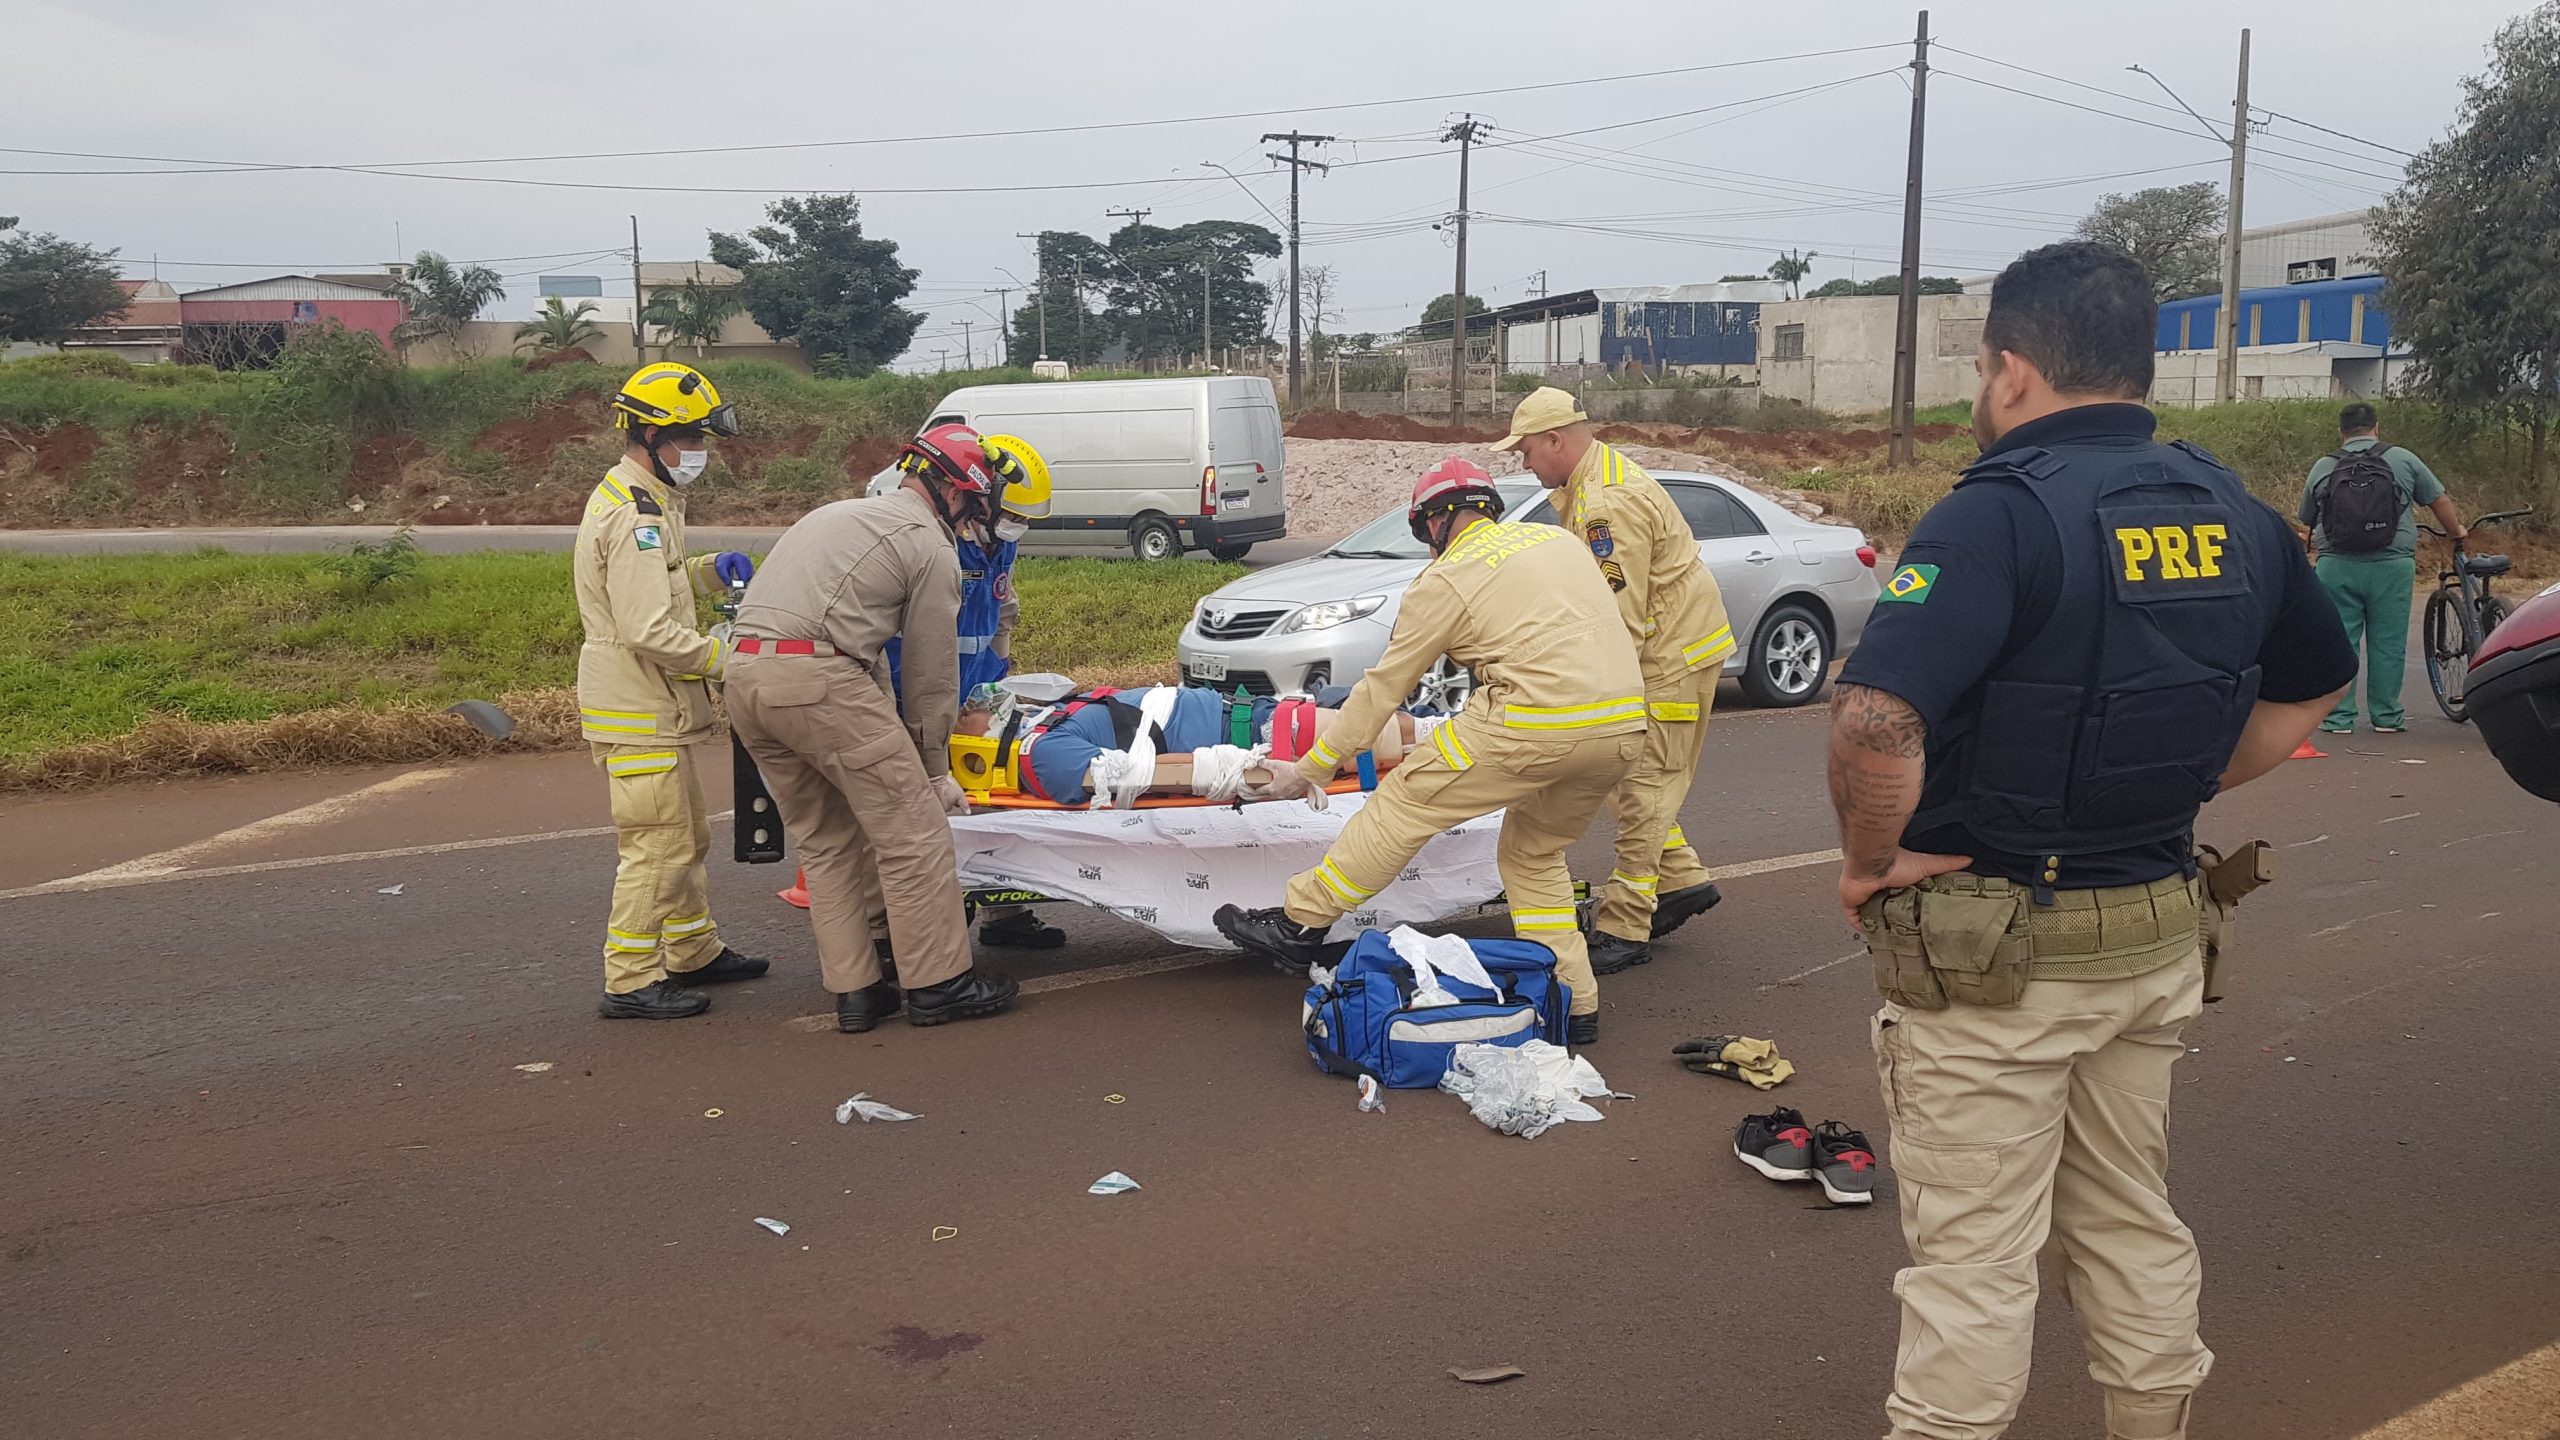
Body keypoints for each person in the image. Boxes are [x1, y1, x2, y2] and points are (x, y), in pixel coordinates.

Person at [1827, 242, 2355, 1440]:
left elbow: (1875, 714)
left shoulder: (1993, 516)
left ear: (2011, 370)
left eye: (1980, 368)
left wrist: (1868, 862)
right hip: (2157, 937)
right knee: (2128, 1216)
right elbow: (2314, 684)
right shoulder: (2235, 510)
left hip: (1995, 961)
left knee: (1972, 1262)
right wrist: (2187, 775)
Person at [1214, 458, 1646, 1044]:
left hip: (1529, 724)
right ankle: (1573, 1002)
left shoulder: (1444, 581)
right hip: (1621, 728)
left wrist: (1313, 768)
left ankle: (1299, 923)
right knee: (1534, 854)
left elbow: (1380, 692)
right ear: (1488, 507)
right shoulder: (1559, 542)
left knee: (1404, 803)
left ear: (1433, 525)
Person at [726, 423, 1022, 1033]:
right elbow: (930, 674)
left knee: (828, 841)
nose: (977, 520)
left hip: (745, 677)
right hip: (819, 680)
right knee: (913, 835)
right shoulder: (930, 546)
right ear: (957, 490)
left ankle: (857, 991)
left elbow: (865, 657)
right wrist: (934, 770)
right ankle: (940, 984)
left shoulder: (836, 515)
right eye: (978, 504)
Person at [1495, 385, 1736, 974]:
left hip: (1667, 659)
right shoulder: (1589, 484)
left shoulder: (1605, 504)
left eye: (1526, 451)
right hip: (1671, 647)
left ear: (1555, 439)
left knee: (1646, 785)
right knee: (1626, 777)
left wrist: (1599, 689)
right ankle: (1679, 879)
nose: (1524, 464)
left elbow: (1621, 612)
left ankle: (1627, 924)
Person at [576, 364, 769, 1019]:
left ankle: (693, 952)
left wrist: (710, 572)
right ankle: (630, 980)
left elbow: (660, 583)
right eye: (692, 436)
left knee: (684, 836)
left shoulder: (649, 501)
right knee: (656, 845)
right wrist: (729, 659)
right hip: (636, 705)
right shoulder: (636, 515)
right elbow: (647, 627)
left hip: (650, 702)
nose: (701, 451)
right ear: (652, 435)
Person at [886, 434, 1067, 949]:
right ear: (983, 498)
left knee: (993, 800)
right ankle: (923, 925)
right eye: (1014, 515)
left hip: (973, 693)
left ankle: (1005, 913)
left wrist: (1002, 668)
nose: (1019, 527)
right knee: (924, 811)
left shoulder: (999, 542)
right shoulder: (935, 540)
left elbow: (1003, 604)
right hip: (914, 693)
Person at [2297, 402, 2468, 733]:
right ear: (2376, 428)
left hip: (2336, 566)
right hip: (2392, 566)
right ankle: (2386, 716)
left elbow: (2306, 518)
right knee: (2388, 642)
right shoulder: (2403, 459)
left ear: (2341, 433)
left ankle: (2339, 718)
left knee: (2339, 642)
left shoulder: (2324, 466)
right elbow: (2439, 500)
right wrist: (2455, 532)